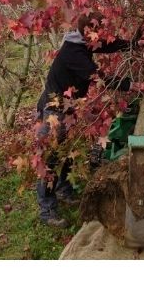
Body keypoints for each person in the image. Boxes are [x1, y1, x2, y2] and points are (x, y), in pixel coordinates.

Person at [35, 14, 132, 227]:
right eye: (96, 32)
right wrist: (131, 86)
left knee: (68, 151)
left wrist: (133, 44)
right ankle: (47, 210)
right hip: (54, 110)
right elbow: (99, 77)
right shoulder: (73, 51)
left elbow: (107, 45)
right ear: (87, 32)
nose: (100, 37)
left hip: (69, 108)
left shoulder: (85, 43)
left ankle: (64, 190)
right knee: (50, 159)